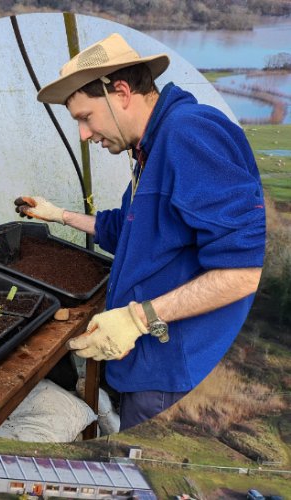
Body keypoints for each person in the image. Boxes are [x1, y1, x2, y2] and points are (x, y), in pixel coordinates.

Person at [19, 33, 264, 430]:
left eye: (85, 117)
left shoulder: (188, 135)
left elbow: (247, 269)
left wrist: (138, 319)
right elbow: (128, 231)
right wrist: (58, 215)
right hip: (150, 365)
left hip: (173, 373)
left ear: (120, 92)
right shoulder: (150, 150)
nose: (83, 133)